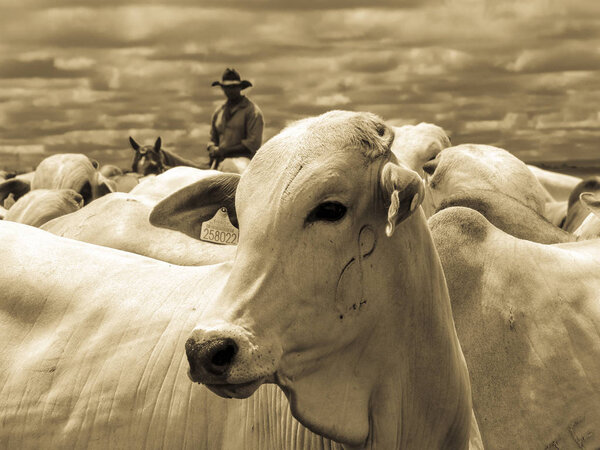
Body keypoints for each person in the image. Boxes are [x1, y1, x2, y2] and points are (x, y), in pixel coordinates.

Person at [207, 68, 264, 170]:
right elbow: (212, 139)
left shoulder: (252, 111)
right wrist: (212, 148)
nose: (230, 91)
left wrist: (225, 150)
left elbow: (252, 143)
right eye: (226, 87)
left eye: (233, 87)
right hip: (219, 162)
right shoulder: (219, 112)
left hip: (244, 162)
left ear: (240, 88)